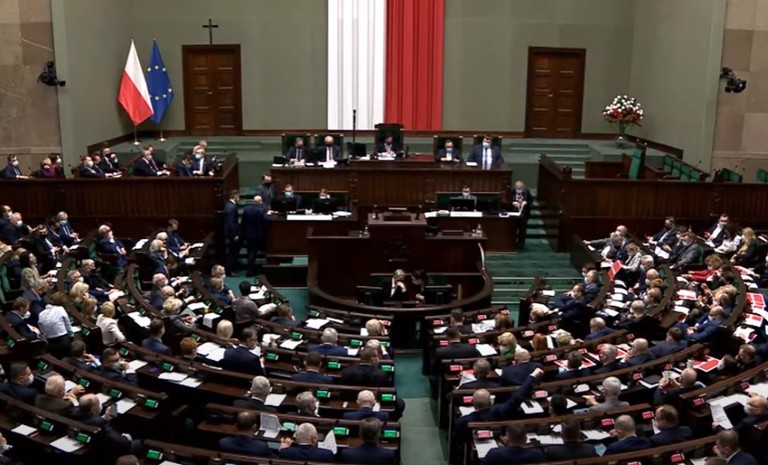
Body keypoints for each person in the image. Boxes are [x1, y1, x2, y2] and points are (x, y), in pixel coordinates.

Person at [37, 291, 73, 357]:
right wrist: (72, 336)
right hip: (64, 342)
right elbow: (68, 326)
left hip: (51, 343)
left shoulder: (41, 314)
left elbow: (43, 331)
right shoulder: (60, 309)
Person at [241, 195, 268, 277]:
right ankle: (249, 271)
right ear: (260, 202)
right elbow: (264, 222)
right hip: (257, 235)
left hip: (248, 234)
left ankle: (250, 269)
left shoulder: (246, 209)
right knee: (253, 253)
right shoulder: (261, 210)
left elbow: (243, 223)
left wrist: (243, 233)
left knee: (249, 252)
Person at [510, 180, 533, 249]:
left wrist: (526, 202)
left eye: (520, 189)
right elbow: (507, 200)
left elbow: (531, 201)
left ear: (523, 188)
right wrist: (512, 203)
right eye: (518, 189)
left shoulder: (526, 192)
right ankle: (512, 243)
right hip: (514, 213)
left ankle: (521, 245)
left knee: (522, 230)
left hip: (524, 214)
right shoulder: (512, 192)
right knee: (513, 229)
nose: (519, 191)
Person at [223, 189, 240, 276]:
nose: (239, 199)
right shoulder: (231, 207)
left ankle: (232, 268)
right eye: (238, 197)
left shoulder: (229, 205)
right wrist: (234, 235)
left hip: (230, 233)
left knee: (232, 252)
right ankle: (230, 271)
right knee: (232, 253)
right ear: (235, 196)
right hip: (231, 234)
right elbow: (231, 223)